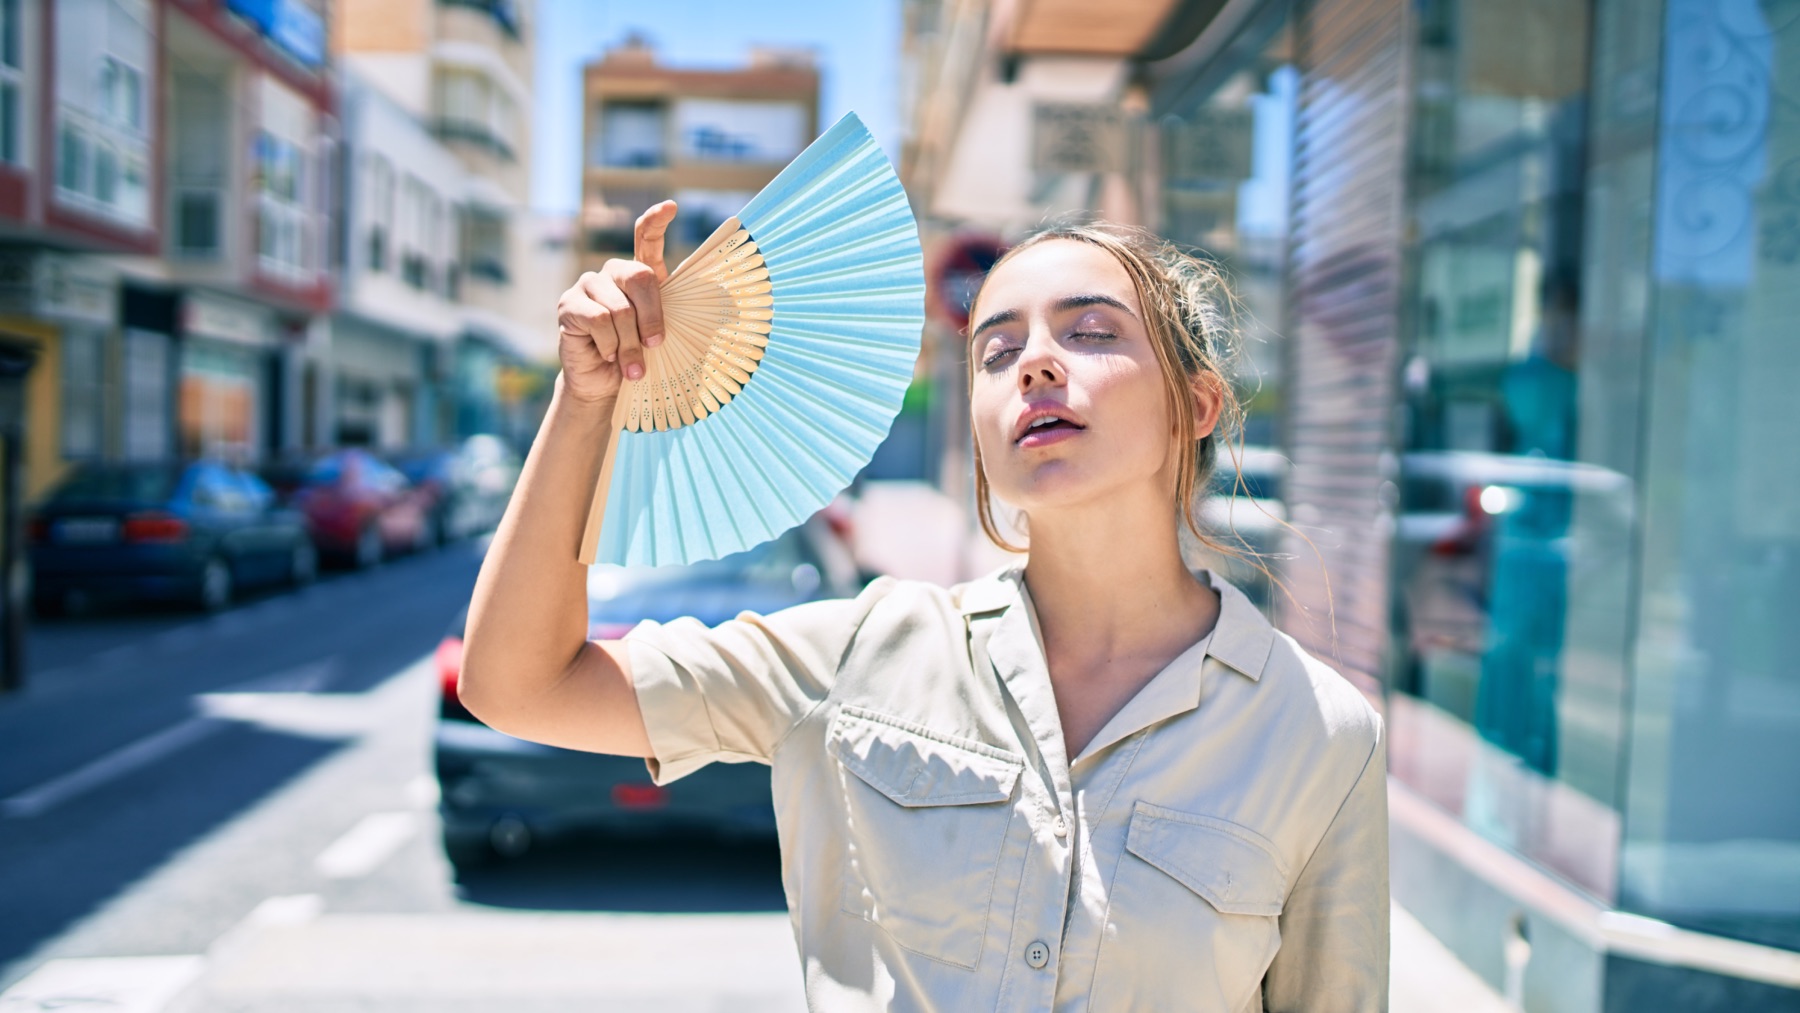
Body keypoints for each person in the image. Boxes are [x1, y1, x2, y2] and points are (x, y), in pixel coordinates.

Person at [460, 200, 1388, 1012]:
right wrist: (584, 403)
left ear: (1196, 404)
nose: (1034, 365)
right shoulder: (860, 651)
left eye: (1092, 332)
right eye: (998, 349)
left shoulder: (1321, 737)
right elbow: (518, 683)